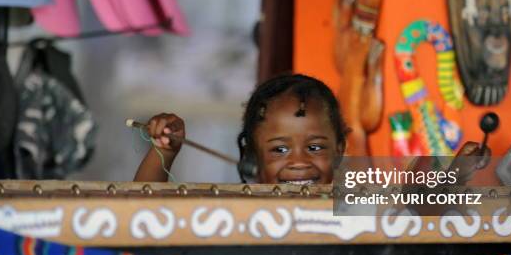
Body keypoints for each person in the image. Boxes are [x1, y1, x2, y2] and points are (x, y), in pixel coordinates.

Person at [134, 73, 487, 183]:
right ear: (252, 155)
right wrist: (164, 152)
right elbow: (144, 215)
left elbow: (421, 212)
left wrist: (458, 172)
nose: (299, 161)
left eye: (316, 147)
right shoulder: (235, 209)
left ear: (341, 150)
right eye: (280, 149)